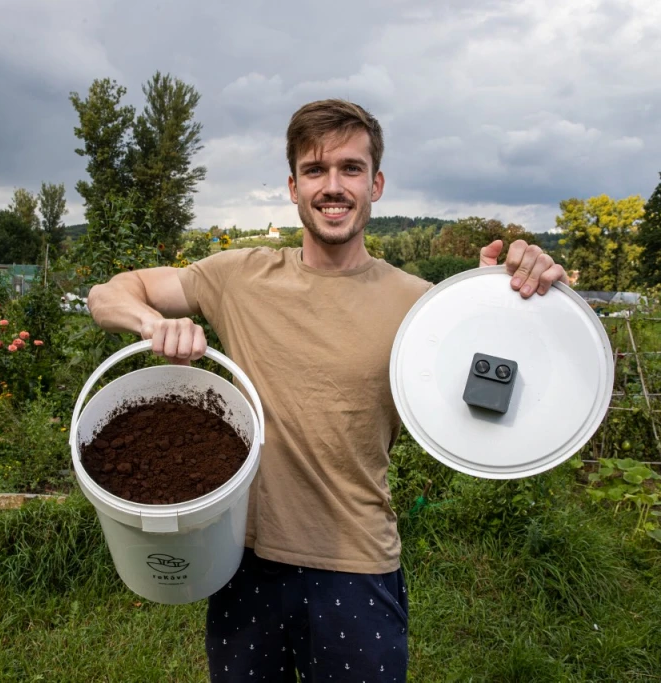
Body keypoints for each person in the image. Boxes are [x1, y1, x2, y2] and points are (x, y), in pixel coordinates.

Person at [88, 99, 568, 682]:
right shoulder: (238, 278)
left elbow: (513, 360)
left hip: (356, 562)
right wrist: (150, 323)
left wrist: (522, 278)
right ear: (293, 186)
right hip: (241, 562)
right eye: (315, 171)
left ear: (377, 183)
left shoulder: (419, 305)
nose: (332, 186)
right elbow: (109, 292)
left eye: (350, 168)